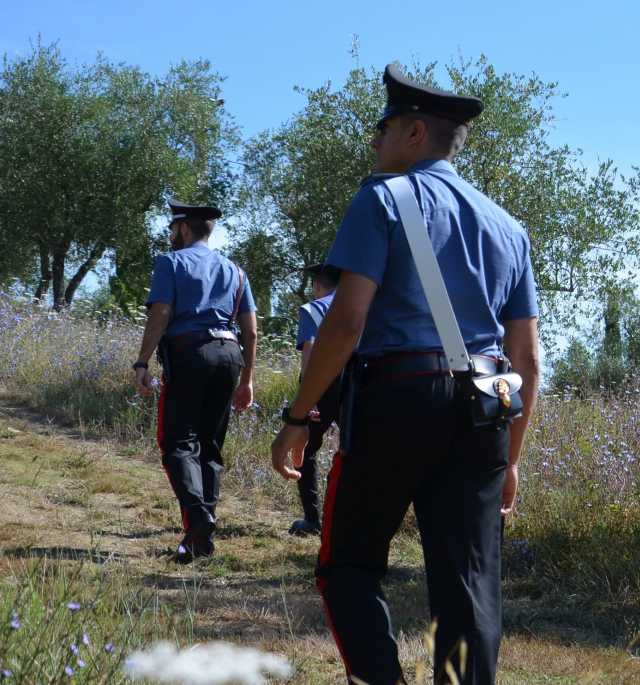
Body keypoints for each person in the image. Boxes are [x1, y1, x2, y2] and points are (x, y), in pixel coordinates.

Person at [269, 64, 540, 685]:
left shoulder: (382, 197)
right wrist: (512, 459)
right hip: (487, 405)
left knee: (348, 564)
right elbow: (526, 361)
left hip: (399, 396)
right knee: (470, 583)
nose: (374, 141)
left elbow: (345, 322)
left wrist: (299, 416)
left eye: (383, 128)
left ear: (414, 133)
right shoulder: (509, 228)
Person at [133, 199, 257, 564]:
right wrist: (247, 380)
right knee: (210, 446)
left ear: (184, 228)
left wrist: (142, 362)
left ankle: (199, 515)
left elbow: (161, 312)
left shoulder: (170, 262)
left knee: (177, 443)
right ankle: (199, 541)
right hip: (229, 356)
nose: (172, 235)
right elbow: (251, 331)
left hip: (190, 353)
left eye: (173, 229)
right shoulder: (236, 271)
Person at [288, 263, 342, 537]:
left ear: (318, 285)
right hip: (357, 383)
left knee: (305, 447)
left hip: (323, 384)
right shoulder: (357, 307)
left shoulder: (313, 309)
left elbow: (309, 350)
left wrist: (307, 398)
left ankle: (312, 519)